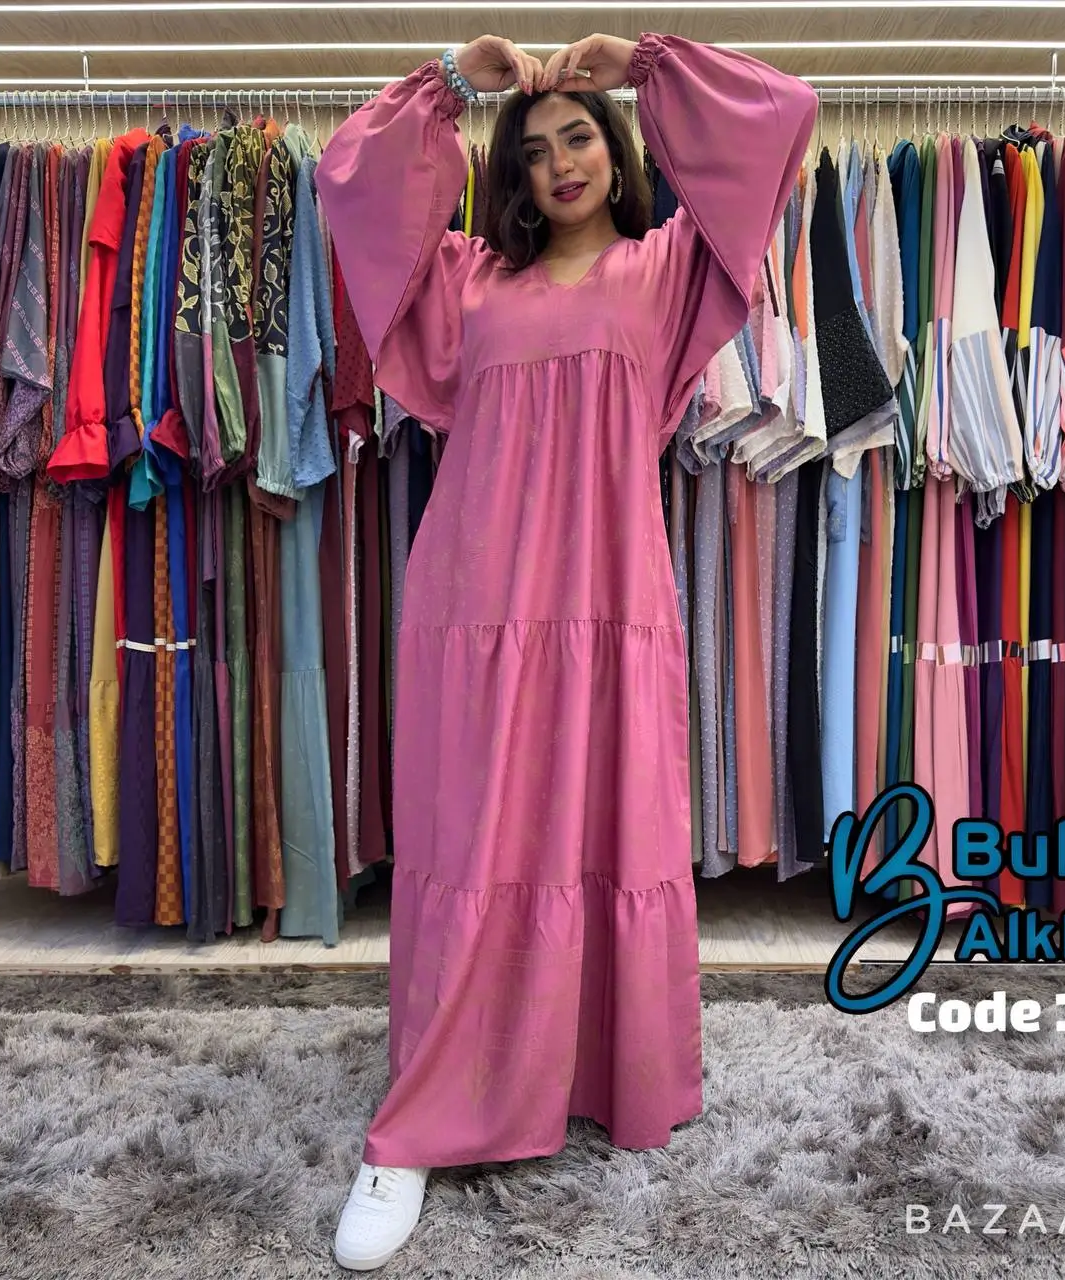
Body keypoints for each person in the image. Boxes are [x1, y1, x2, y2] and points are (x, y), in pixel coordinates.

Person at [316, 31, 816, 1271]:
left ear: (616, 149)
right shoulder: (465, 280)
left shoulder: (666, 270)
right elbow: (350, 178)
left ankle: (593, 1065)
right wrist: (449, 79)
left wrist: (642, 62)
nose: (559, 163)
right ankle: (418, 1120)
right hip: (476, 600)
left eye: (578, 136)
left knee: (602, 829)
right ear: (514, 178)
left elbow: (781, 114)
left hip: (605, 596)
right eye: (535, 151)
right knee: (474, 841)